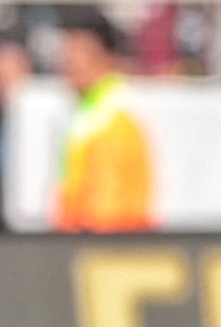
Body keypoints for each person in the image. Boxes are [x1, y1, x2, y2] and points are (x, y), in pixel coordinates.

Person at [52, 12, 155, 233]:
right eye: (68, 53)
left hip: (111, 248)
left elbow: (107, 208)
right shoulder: (89, 114)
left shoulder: (113, 120)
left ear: (109, 59)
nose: (71, 62)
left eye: (82, 53)